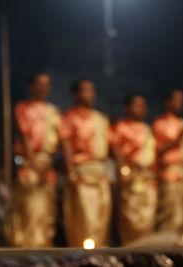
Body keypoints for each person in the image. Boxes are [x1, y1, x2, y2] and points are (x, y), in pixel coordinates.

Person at [8, 72, 61, 247]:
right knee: (29, 206)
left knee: (47, 209)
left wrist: (49, 165)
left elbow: (57, 141)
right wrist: (33, 163)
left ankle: (44, 245)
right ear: (31, 86)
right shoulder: (23, 108)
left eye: (47, 84)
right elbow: (24, 136)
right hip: (30, 164)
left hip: (47, 166)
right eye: (39, 84)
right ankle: (27, 247)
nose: (43, 88)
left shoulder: (54, 111)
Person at [59, 78, 111, 247]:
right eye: (85, 90)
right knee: (85, 220)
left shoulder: (101, 118)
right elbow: (66, 143)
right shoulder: (70, 117)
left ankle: (100, 256)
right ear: (76, 94)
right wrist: (71, 171)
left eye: (92, 90)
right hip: (82, 174)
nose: (90, 94)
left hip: (100, 175)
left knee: (101, 220)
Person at [110, 94, 157, 245]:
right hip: (130, 178)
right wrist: (124, 169)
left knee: (148, 217)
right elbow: (115, 148)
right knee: (130, 217)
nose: (141, 109)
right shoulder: (120, 126)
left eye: (143, 105)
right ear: (127, 108)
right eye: (137, 105)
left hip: (147, 178)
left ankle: (145, 253)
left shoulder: (147, 129)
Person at [152, 89, 183, 245]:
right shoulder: (159, 123)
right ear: (167, 102)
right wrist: (178, 138)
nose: (180, 104)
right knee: (171, 216)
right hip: (170, 174)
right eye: (177, 100)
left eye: (182, 100)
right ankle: (168, 250)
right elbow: (158, 150)